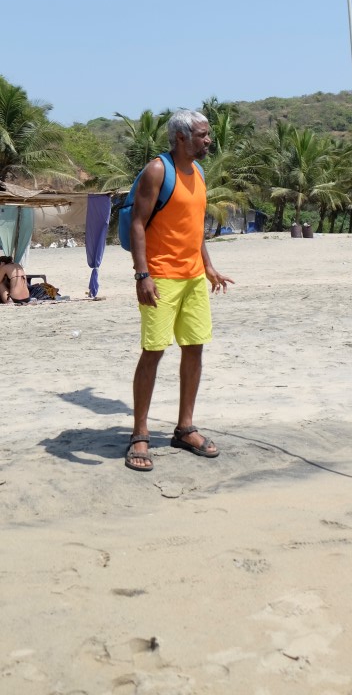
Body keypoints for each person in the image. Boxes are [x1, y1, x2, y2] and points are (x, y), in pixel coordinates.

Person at [125, 109, 234, 473]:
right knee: (153, 351)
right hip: (160, 277)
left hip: (193, 278)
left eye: (208, 134)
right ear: (182, 137)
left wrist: (209, 266)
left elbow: (194, 227)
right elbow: (137, 223)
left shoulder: (199, 171)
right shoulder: (158, 170)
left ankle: (185, 428)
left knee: (194, 348)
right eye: (203, 135)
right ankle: (140, 434)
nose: (209, 140)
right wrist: (142, 274)